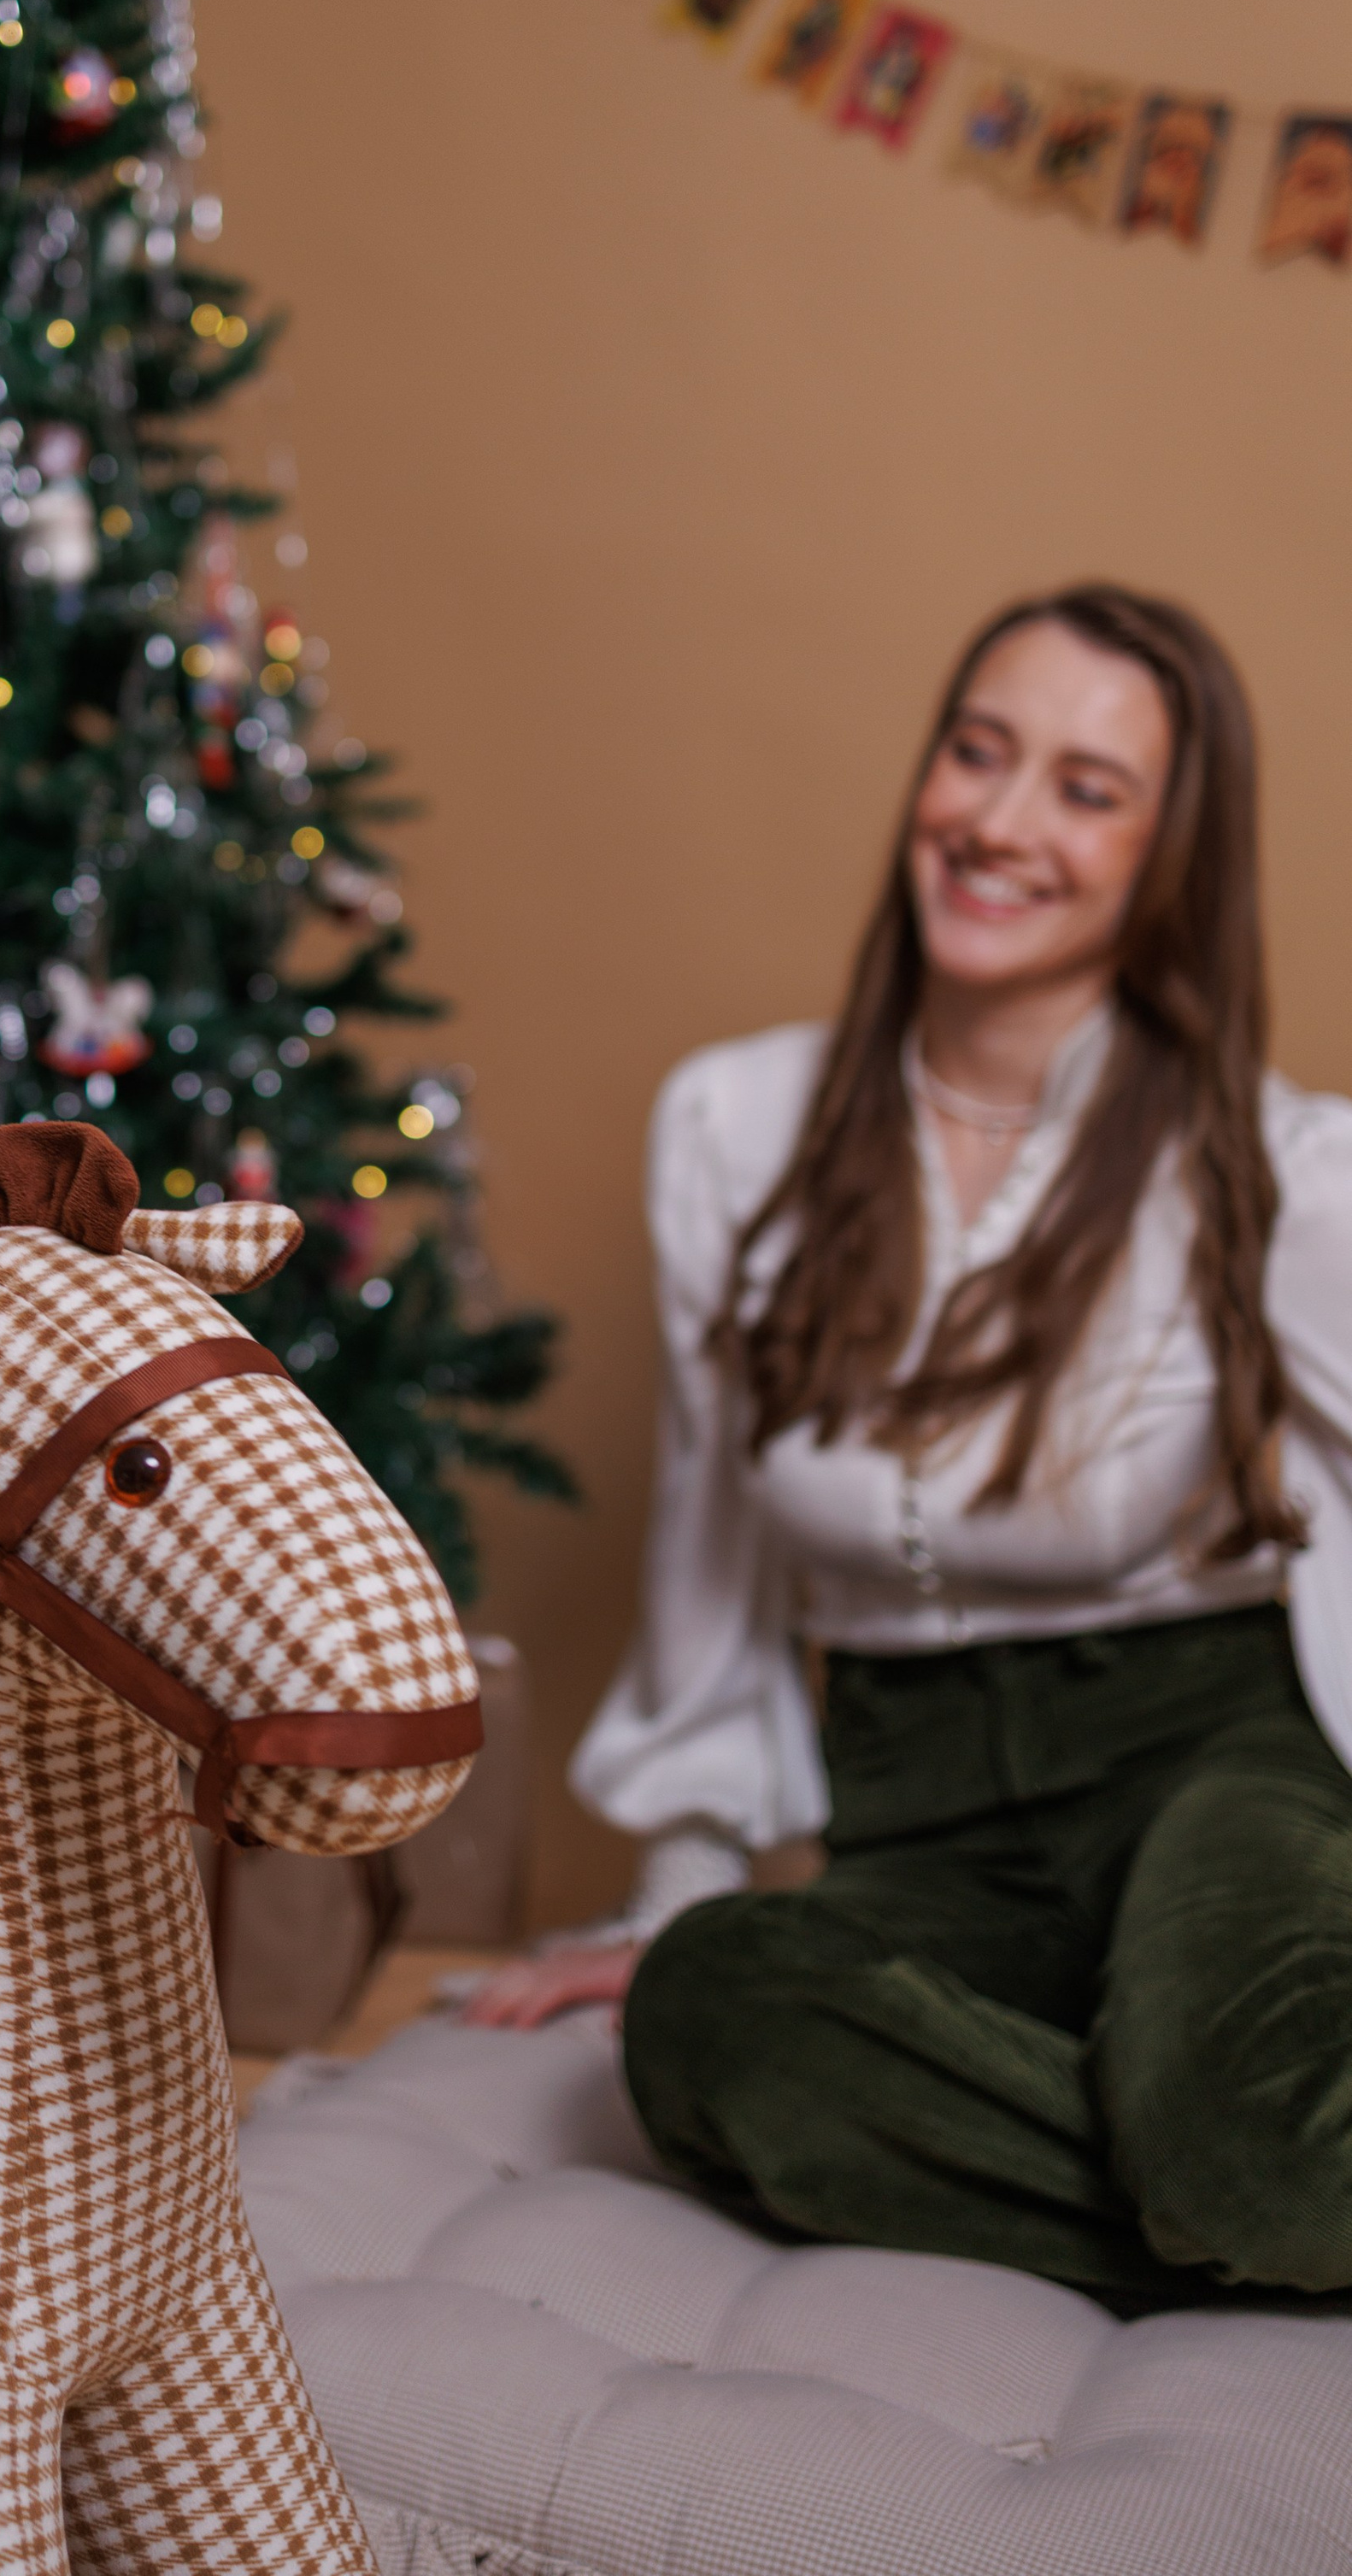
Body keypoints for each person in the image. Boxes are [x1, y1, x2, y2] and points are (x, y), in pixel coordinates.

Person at [470, 583, 1352, 2312]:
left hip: (1211, 1758)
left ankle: (1240, 2166)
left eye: (1085, 790)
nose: (998, 822)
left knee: (1238, 2110)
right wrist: (681, 1873)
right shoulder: (733, 1125)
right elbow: (710, 1540)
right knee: (709, 2015)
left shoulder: (1277, 1168)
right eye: (976, 751)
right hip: (914, 1817)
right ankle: (1231, 2201)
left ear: (1172, 853)